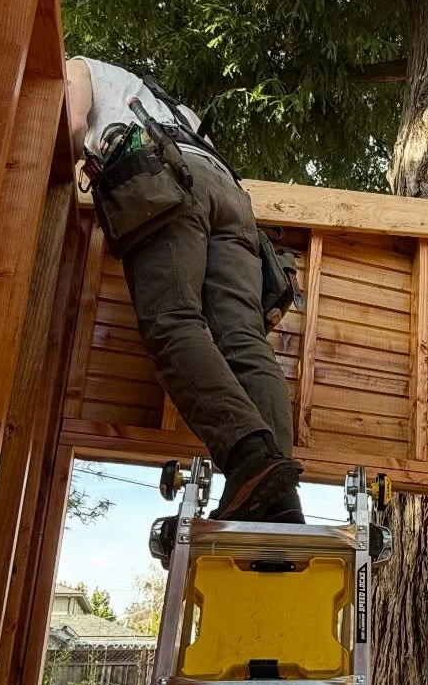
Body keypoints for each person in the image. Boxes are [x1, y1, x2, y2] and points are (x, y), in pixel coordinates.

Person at [65, 58, 303, 523]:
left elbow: (72, 127)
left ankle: (249, 457)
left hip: (159, 176)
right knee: (243, 340)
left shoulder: (78, 66)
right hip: (231, 197)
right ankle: (279, 504)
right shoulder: (171, 102)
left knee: (172, 321)